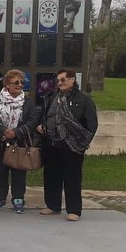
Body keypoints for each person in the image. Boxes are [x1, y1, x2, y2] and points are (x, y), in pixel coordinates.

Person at [36, 69, 98, 222]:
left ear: (72, 80)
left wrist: (82, 143)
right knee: (51, 176)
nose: (60, 83)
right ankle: (53, 205)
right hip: (51, 142)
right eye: (58, 80)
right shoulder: (51, 96)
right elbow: (44, 115)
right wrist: (40, 125)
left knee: (72, 177)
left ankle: (74, 210)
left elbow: (91, 124)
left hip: (72, 145)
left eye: (63, 80)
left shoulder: (84, 99)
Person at [0, 69, 39, 213]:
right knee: (0, 171)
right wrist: (4, 131)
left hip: (19, 141)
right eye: (16, 82)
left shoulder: (28, 101)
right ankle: (0, 198)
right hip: (0, 141)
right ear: (7, 84)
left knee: (19, 172)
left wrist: (16, 132)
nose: (20, 85)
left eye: (22, 82)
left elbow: (32, 120)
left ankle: (18, 199)